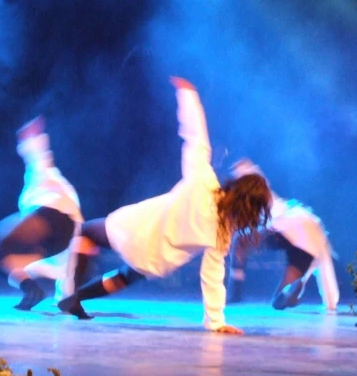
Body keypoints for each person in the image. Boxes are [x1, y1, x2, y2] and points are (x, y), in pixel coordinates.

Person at [58, 77, 272, 334]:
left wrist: (188, 96)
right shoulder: (222, 234)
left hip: (131, 231)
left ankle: (72, 294)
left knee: (86, 232)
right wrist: (216, 321)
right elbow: (212, 276)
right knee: (128, 275)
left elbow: (197, 139)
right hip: (153, 260)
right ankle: (77, 299)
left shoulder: (204, 182)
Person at [0, 116, 84, 311]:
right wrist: (65, 295)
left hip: (52, 219)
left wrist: (32, 138)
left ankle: (34, 287)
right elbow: (68, 265)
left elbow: (39, 159)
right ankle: (32, 290)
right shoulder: (38, 192)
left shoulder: (42, 175)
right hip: (57, 239)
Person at [226, 159, 339, 312]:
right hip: (303, 233)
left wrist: (242, 169)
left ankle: (235, 293)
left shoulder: (258, 192)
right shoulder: (261, 192)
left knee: (240, 239)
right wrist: (330, 300)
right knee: (278, 301)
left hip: (287, 225)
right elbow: (323, 258)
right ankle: (289, 294)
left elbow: (252, 177)